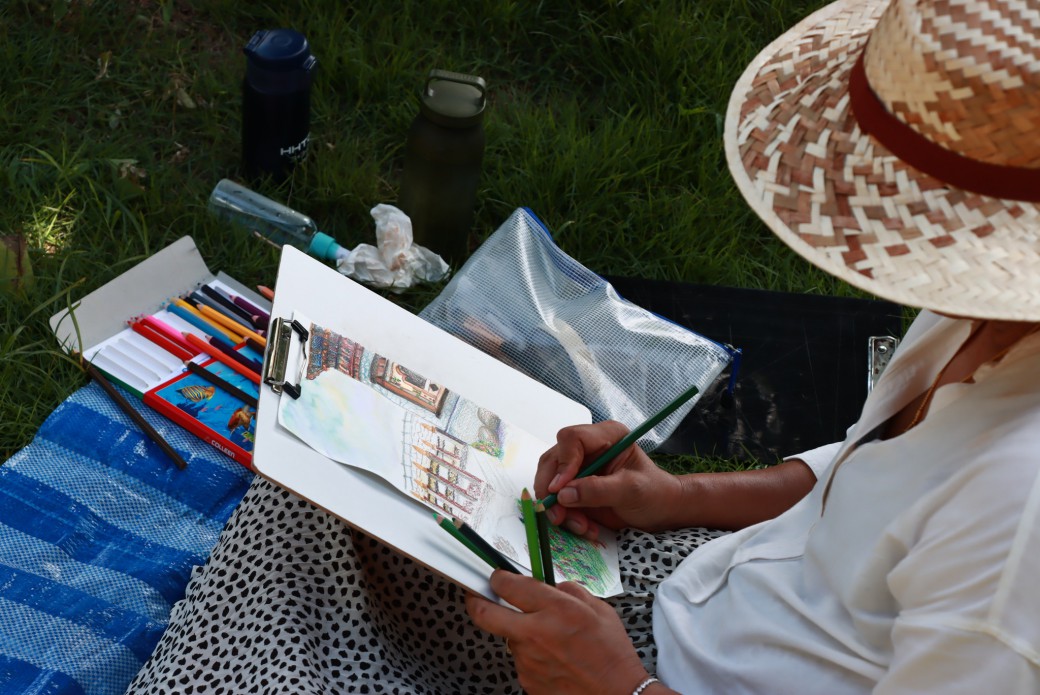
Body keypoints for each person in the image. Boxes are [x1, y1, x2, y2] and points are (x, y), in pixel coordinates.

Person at [126, 0, 1040, 692]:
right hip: (694, 595)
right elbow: (867, 471)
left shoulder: (1017, 523)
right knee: (327, 483)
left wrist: (617, 686)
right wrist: (675, 497)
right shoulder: (989, 311)